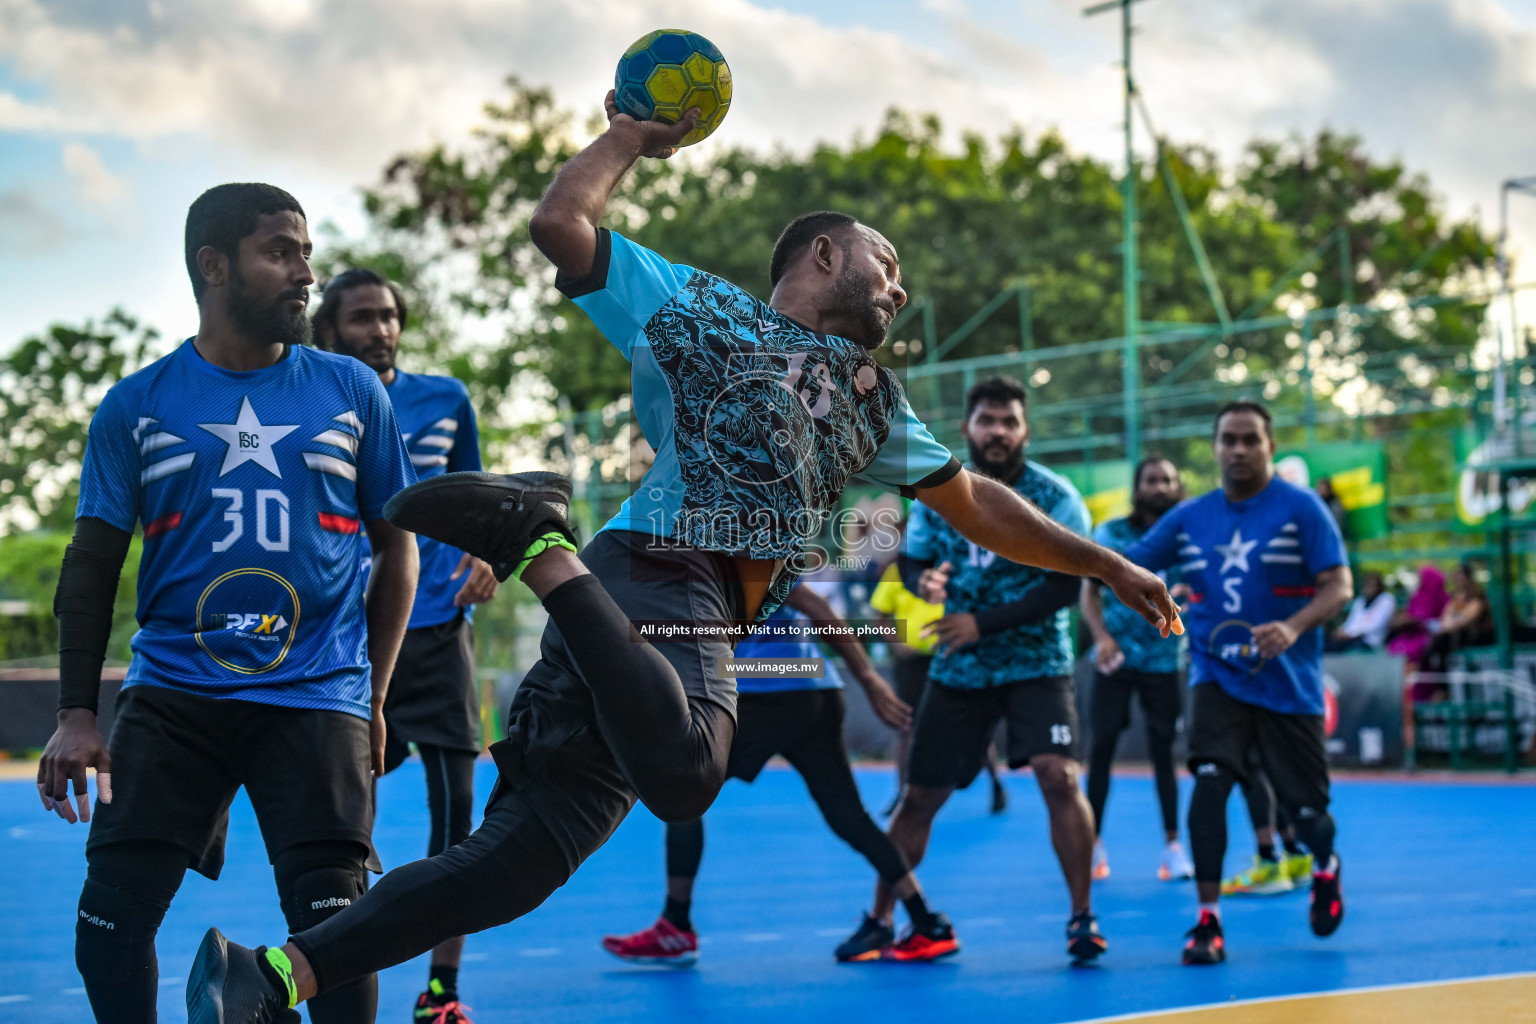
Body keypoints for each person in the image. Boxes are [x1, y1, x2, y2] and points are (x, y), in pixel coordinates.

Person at [185, 94, 1179, 1024]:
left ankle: (271, 974)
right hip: (658, 570)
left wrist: (1104, 563)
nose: (901, 287)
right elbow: (559, 229)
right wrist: (628, 138)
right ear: (827, 253)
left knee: (517, 862)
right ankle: (534, 538)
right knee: (693, 769)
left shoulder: (876, 397)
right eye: (888, 265)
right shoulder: (700, 306)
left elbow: (981, 509)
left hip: (643, 628)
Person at [36, 183, 418, 1024]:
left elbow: (399, 545)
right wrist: (74, 713)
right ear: (214, 266)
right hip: (173, 697)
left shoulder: (354, 391)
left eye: (306, 253)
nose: (304, 273)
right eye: (280, 252)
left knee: (339, 933)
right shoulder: (136, 405)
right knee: (110, 921)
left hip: (318, 699)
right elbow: (92, 562)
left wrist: (376, 697)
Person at [875, 375, 1110, 966]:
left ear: (1025, 429)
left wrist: (982, 622)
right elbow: (912, 565)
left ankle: (1082, 917)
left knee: (1060, 777)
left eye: (1009, 421)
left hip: (1038, 664)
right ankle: (878, 917)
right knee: (920, 794)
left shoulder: (1056, 497)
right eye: (988, 420)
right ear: (968, 428)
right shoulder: (942, 491)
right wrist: (922, 581)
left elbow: (1064, 587)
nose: (998, 431)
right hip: (960, 670)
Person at [314, 268, 498, 1024]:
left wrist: (490, 550)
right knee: (338, 827)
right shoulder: (320, 399)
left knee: (458, 824)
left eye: (388, 315)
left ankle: (440, 991)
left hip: (441, 637)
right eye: (362, 317)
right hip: (351, 644)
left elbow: (476, 493)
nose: (380, 328)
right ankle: (330, 970)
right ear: (331, 328)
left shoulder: (447, 399)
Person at [600, 582, 959, 965]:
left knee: (683, 791)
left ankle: (676, 927)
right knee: (849, 817)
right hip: (814, 691)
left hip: (769, 695)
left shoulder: (726, 545)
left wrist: (870, 680)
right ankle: (926, 920)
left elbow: (812, 603)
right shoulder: (728, 546)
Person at [1123, 400, 1352, 965]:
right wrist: (1150, 601)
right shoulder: (1191, 516)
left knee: (1308, 814)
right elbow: (1125, 567)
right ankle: (1207, 920)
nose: (1240, 449)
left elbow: (1340, 585)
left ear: (1270, 445)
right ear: (1216, 447)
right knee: (1208, 785)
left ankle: (1325, 866)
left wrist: (1294, 626)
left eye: (1251, 439)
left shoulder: (1303, 510)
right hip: (1213, 674)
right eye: (1229, 439)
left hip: (1288, 683)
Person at [1080, 455, 1192, 883]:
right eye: (1151, 479)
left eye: (1167, 479)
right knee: (1101, 750)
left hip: (1166, 661)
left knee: (1165, 753)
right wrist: (1102, 638)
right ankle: (1092, 844)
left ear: (1177, 485)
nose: (1160, 486)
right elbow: (1088, 591)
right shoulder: (1112, 534)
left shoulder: (1186, 538)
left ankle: (1173, 846)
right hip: (1115, 660)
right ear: (1138, 487)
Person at [869, 556, 1007, 817]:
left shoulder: (957, 563)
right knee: (907, 724)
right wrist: (899, 646)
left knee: (972, 722)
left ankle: (996, 784)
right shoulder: (898, 570)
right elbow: (881, 616)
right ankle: (903, 795)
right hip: (912, 663)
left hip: (953, 654)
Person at [1420, 563, 1495, 676]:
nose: (1459, 581)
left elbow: (1467, 619)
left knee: (1443, 641)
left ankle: (1439, 683)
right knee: (1439, 642)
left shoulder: (1477, 597)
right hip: (1455, 634)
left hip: (1476, 636)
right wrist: (1451, 621)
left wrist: (1451, 622)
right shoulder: (1456, 598)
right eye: (1457, 578)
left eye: (1462, 578)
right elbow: (1446, 617)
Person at [1387, 565, 1448, 667]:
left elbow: (1430, 620)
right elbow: (1409, 614)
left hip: (1428, 637)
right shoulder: (1416, 597)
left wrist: (1413, 621)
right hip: (1410, 634)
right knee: (1394, 647)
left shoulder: (1441, 597)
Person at [1327, 571, 1396, 653]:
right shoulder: (1360, 601)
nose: (1370, 589)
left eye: (1373, 586)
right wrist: (1342, 630)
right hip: (1352, 636)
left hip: (1369, 640)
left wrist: (1350, 634)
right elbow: (1351, 622)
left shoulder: (1386, 600)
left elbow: (1375, 625)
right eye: (1368, 586)